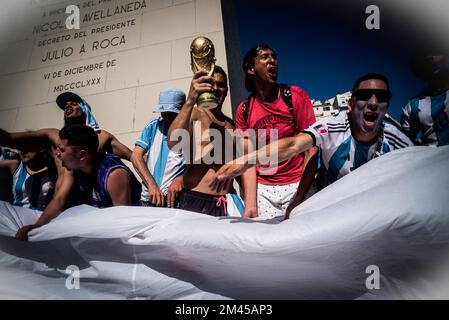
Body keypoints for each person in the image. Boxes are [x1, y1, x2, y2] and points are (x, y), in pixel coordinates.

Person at [211, 73, 413, 218]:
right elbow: (293, 145)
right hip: (332, 213)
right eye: (365, 96)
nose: (373, 102)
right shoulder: (331, 127)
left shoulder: (398, 142)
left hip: (374, 213)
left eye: (382, 97)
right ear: (350, 104)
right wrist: (245, 162)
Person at [15, 125, 141, 241]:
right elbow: (60, 199)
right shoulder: (74, 167)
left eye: (62, 150)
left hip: (131, 225)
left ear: (81, 155)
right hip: (104, 220)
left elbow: (124, 221)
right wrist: (37, 226)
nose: (57, 154)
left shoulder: (114, 174)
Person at [235, 43, 317, 218]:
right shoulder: (244, 110)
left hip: (297, 184)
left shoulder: (295, 96)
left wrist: (300, 198)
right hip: (264, 190)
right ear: (250, 69)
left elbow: (311, 148)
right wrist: (250, 204)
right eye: (264, 57)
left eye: (274, 57)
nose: (272, 60)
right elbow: (248, 159)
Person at [167, 66, 246, 217]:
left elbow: (241, 168)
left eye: (221, 84)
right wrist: (190, 100)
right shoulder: (195, 114)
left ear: (226, 90)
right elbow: (173, 143)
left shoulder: (231, 124)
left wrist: (250, 200)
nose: (215, 88)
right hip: (196, 201)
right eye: (211, 84)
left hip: (229, 202)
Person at [131, 88, 186, 208]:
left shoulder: (192, 129)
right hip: (148, 199)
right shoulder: (153, 125)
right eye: (164, 112)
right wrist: (152, 185)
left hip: (177, 201)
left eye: (172, 113)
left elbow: (201, 164)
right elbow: (136, 156)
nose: (166, 116)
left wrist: (182, 178)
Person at [401, 53, 449, 146]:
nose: (430, 57)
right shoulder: (412, 106)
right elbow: (404, 143)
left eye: (435, 51)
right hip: (432, 158)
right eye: (425, 53)